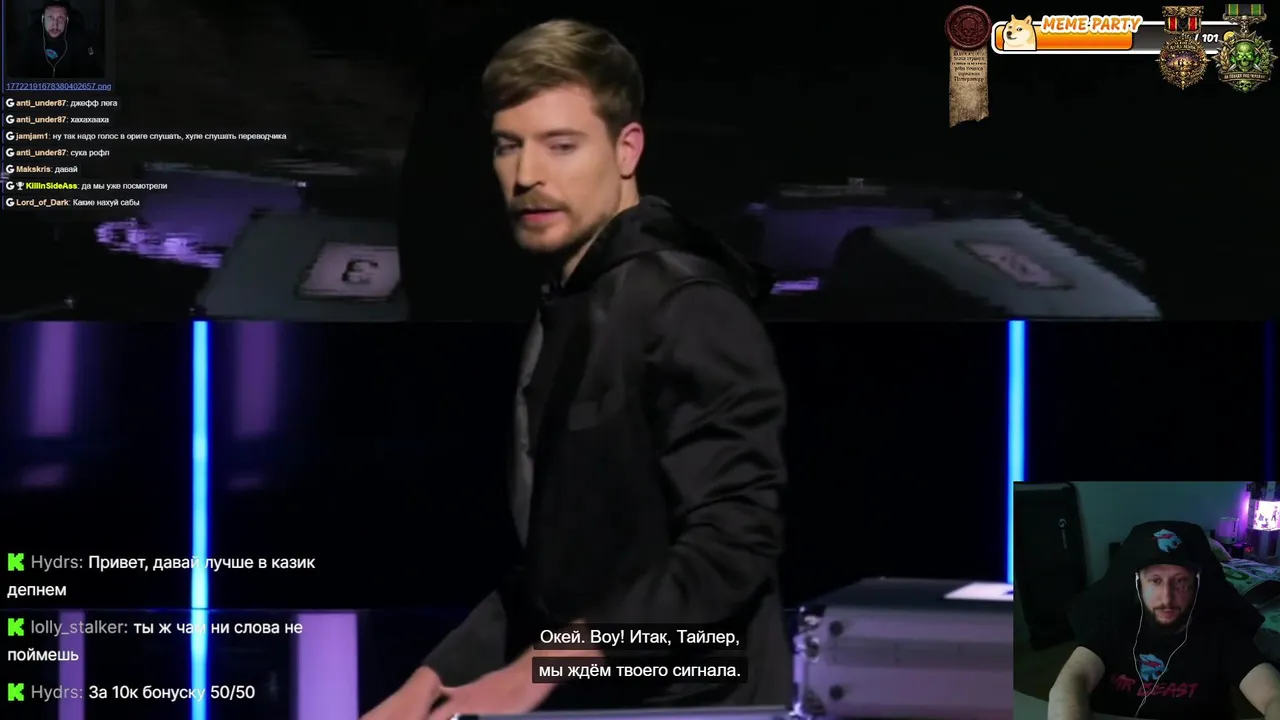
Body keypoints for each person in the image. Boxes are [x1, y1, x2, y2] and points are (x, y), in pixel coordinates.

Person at [362, 19, 789, 720]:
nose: (527, 175)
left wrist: (545, 664)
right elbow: (558, 577)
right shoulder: (572, 303)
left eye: (561, 145)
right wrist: (431, 679)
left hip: (698, 701)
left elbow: (731, 548)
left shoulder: (686, 306)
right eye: (508, 146)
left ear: (627, 150)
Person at [1048, 520, 1280, 719]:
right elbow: (1074, 680)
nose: (1166, 598)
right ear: (1139, 583)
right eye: (1155, 581)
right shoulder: (1114, 622)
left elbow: (1273, 694)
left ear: (1197, 584)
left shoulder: (1221, 630)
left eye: (1180, 581)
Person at [14, 0, 101, 80]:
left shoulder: (80, 36)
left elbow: (89, 70)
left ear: (67, 19)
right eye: (50, 17)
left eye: (60, 18)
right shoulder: (30, 35)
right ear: (43, 18)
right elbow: (19, 69)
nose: (55, 25)